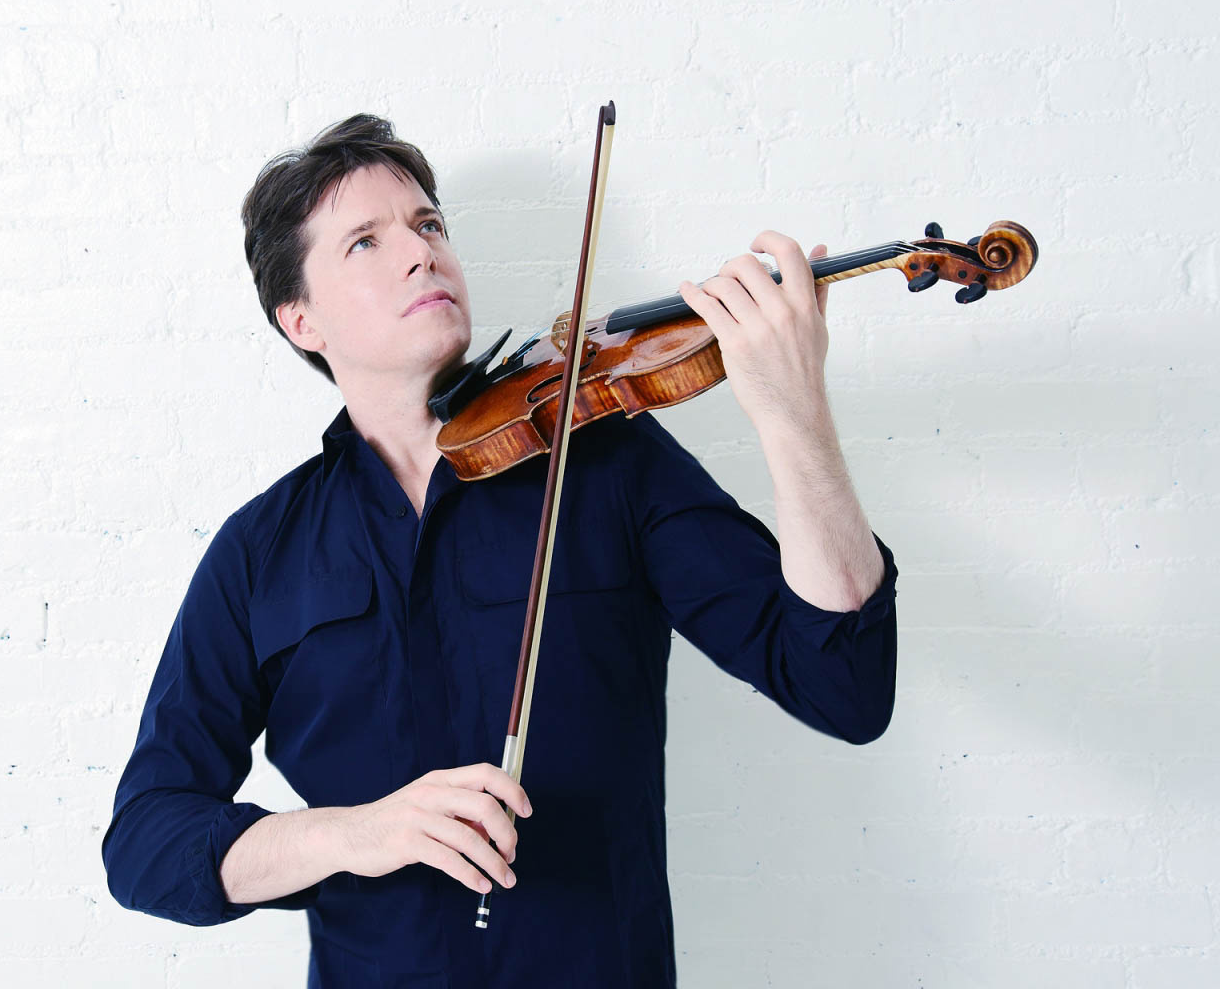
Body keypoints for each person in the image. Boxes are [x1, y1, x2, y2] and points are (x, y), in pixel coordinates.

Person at [101, 114, 898, 988]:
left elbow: (843, 683)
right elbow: (146, 843)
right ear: (302, 321)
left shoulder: (605, 462)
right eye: (365, 242)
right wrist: (356, 833)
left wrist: (795, 414)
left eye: (428, 224)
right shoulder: (260, 552)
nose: (420, 253)